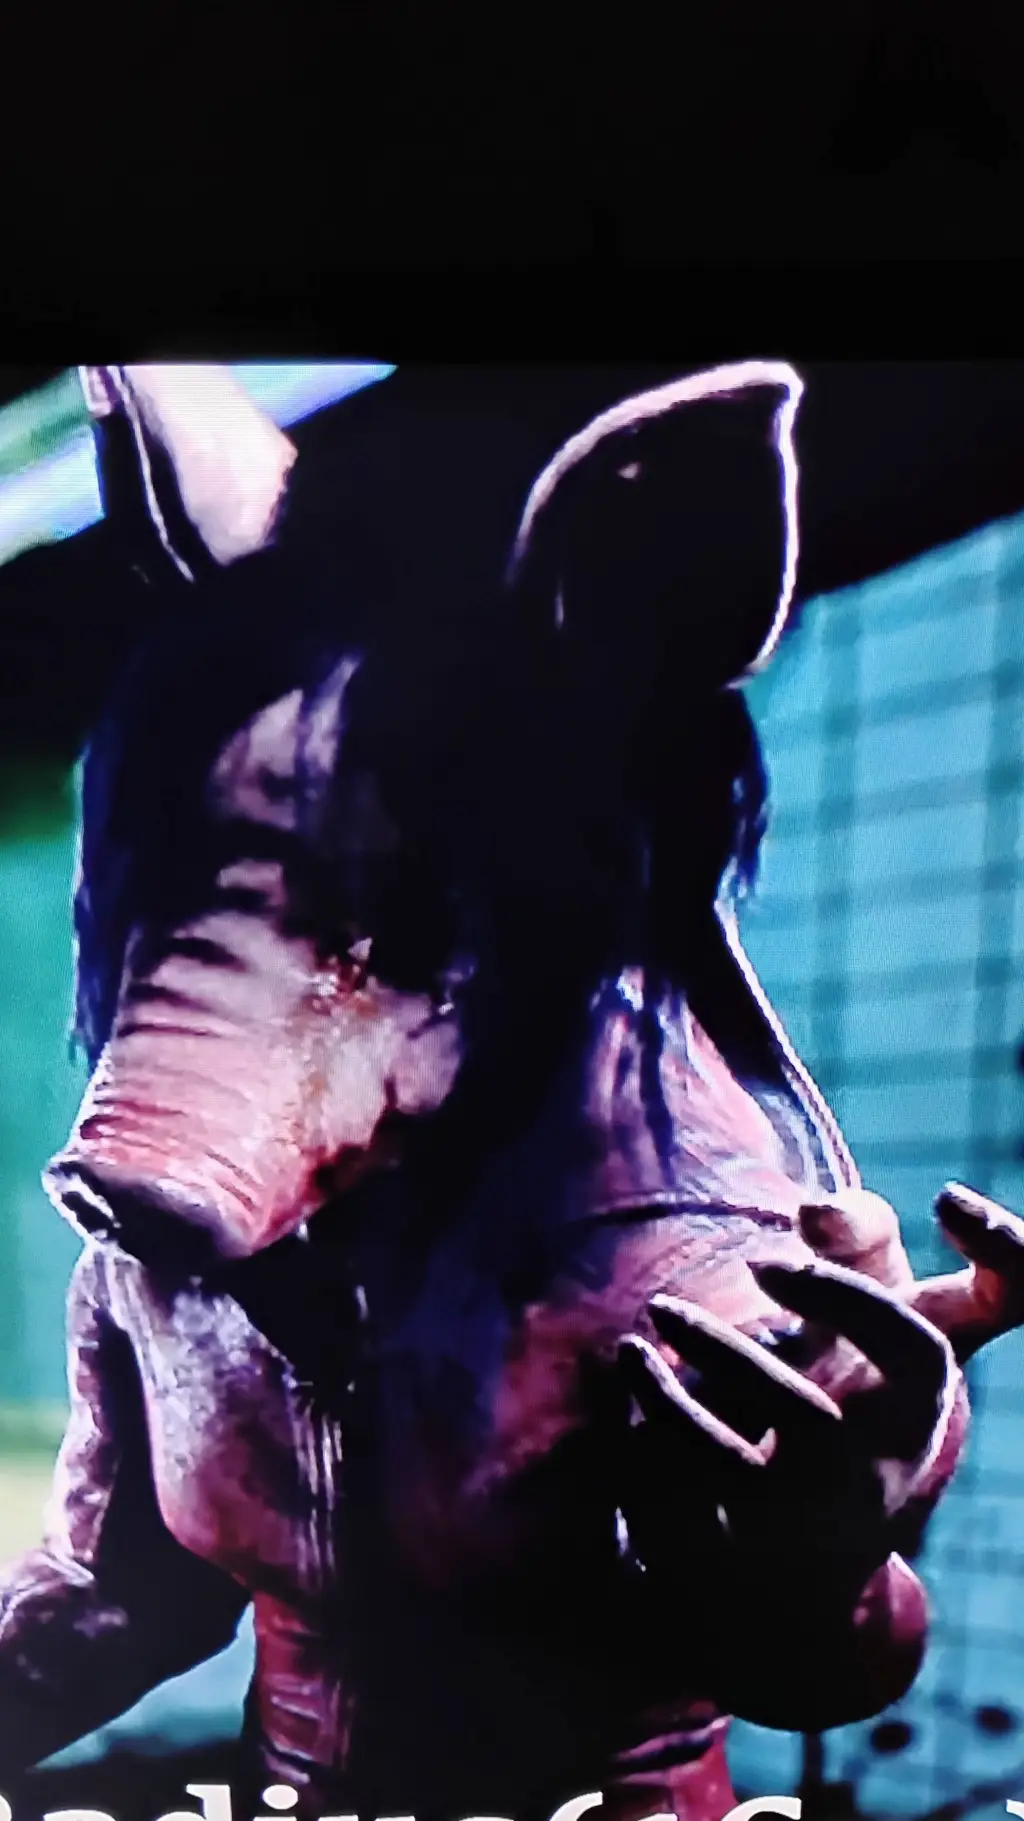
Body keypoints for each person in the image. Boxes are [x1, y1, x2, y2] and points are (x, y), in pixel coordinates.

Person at [0, 361, 1022, 1821]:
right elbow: (116, 1596)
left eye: (376, 918)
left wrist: (821, 1559)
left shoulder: (688, 1268)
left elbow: (810, 1660)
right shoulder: (168, 1276)